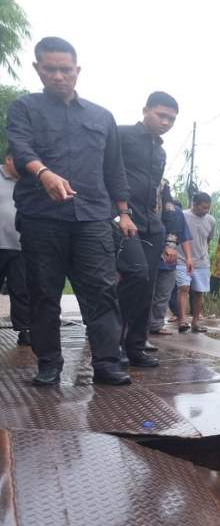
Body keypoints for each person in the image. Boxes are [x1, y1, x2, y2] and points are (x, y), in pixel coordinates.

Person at [6, 36, 133, 386]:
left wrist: (124, 212)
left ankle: (107, 363)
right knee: (43, 293)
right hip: (41, 217)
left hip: (92, 217)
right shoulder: (24, 108)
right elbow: (21, 147)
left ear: (77, 70)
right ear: (38, 69)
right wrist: (43, 173)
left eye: (66, 69)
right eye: (50, 69)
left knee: (102, 291)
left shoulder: (101, 116)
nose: (59, 76)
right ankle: (49, 364)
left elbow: (114, 168)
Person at [116, 91, 182, 366]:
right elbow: (109, 173)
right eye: (161, 115)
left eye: (171, 119)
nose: (166, 122)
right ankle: (113, 344)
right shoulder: (121, 135)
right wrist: (120, 212)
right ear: (145, 110)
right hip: (122, 218)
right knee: (134, 276)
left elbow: (156, 190)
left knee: (147, 286)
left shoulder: (161, 151)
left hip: (151, 224)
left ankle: (135, 346)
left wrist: (166, 233)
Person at [150, 193, 193, 335]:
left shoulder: (177, 213)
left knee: (163, 295)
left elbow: (184, 236)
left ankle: (156, 325)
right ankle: (141, 326)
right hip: (150, 258)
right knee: (147, 294)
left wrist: (189, 258)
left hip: (169, 262)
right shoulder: (150, 208)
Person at [0, 152, 30, 346]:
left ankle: (25, 330)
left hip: (20, 246)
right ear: (9, 159)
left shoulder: (28, 181)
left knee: (22, 290)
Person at [176, 191, 214, 333]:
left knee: (199, 292)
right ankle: (182, 320)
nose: (206, 210)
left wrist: (203, 254)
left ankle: (196, 322)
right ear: (194, 204)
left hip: (202, 261)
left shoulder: (211, 220)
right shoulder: (182, 216)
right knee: (184, 288)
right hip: (182, 259)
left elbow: (208, 240)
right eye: (203, 207)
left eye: (208, 208)